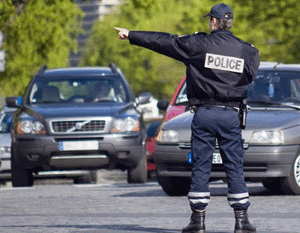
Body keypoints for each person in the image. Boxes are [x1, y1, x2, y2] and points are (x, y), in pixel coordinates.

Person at [114, 3, 260, 233]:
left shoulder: (197, 44)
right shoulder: (246, 50)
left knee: (201, 166)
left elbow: (164, 42)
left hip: (204, 114)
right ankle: (242, 221)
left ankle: (198, 221)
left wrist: (132, 34)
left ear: (213, 22)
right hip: (231, 114)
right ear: (229, 23)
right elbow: (251, 72)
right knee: (234, 166)